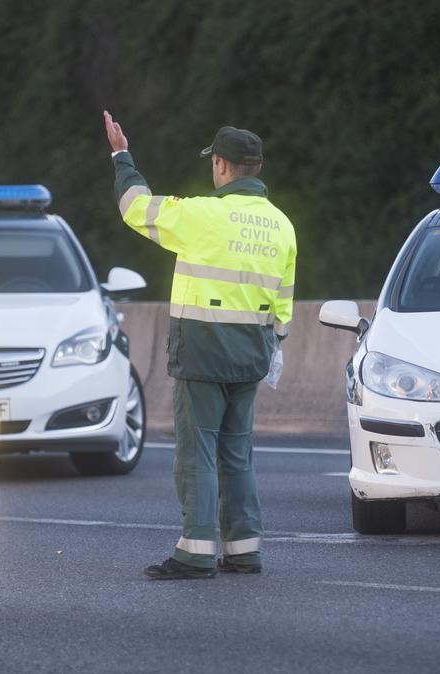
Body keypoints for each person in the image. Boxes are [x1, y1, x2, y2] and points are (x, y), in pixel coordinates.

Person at [101, 111, 297, 580]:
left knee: (198, 454)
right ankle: (244, 549)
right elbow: (284, 307)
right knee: (237, 453)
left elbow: (134, 207)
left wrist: (121, 156)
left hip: (203, 351)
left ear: (223, 167)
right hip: (252, 354)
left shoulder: (201, 214)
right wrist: (272, 346)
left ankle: (196, 552)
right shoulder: (282, 226)